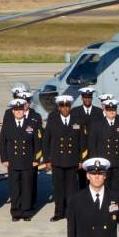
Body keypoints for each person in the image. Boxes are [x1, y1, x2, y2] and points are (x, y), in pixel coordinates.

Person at [42, 94, 87, 222]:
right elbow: (46, 142)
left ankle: (71, 212)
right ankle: (59, 212)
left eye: (67, 106)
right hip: (57, 160)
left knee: (72, 189)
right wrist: (47, 160)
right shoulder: (52, 121)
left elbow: (82, 142)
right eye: (62, 106)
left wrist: (81, 160)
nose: (65, 108)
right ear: (59, 107)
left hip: (72, 161)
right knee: (58, 188)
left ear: (70, 107)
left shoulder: (78, 121)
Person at [0, 99, 42, 221]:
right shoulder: (8, 124)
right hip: (13, 161)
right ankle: (16, 212)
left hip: (27, 161)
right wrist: (4, 158)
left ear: (24, 110)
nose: (18, 112)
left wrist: (36, 159)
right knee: (14, 188)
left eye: (20, 109)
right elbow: (2, 143)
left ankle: (26, 212)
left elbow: (37, 143)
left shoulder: (31, 123)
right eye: (16, 110)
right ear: (13, 111)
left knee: (27, 187)